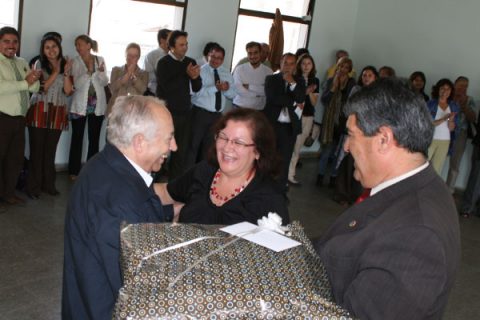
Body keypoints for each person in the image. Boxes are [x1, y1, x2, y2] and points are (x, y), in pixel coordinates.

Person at [314, 78, 460, 319]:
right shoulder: (408, 188)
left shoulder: (417, 235)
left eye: (351, 135)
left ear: (383, 139)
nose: (347, 147)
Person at [62, 95, 177, 319]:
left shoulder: (103, 164)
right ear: (140, 142)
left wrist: (171, 210)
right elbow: (140, 288)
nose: (174, 146)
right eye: (169, 138)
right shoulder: (121, 201)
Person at [154, 108, 289, 225]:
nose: (227, 147)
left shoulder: (269, 197)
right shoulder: (204, 171)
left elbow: (282, 248)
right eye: (223, 137)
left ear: (258, 151)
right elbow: (166, 193)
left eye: (238, 142)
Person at [26, 35, 73, 198]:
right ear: (43, 50)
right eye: (47, 47)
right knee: (37, 151)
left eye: (54, 46)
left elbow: (68, 91)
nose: (51, 50)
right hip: (39, 110)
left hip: (58, 111)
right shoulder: (39, 63)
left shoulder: (67, 63)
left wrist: (65, 73)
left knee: (50, 151)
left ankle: (48, 185)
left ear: (59, 47)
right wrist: (56, 71)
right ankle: (33, 187)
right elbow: (43, 87)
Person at [0, 27, 41, 205]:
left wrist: (33, 80)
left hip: (20, 119)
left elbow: (34, 88)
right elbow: (2, 87)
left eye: (15, 42)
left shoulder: (22, 61)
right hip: (2, 117)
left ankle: (8, 194)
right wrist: (26, 82)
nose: (11, 45)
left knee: (15, 160)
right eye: (6, 41)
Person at [156, 30, 202, 179]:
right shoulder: (163, 63)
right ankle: (155, 181)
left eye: (186, 44)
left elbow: (196, 87)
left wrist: (195, 78)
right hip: (166, 113)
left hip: (185, 113)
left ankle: (174, 184)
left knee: (180, 151)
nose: (185, 47)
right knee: (162, 148)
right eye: (181, 44)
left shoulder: (191, 61)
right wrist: (186, 75)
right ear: (172, 47)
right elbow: (168, 87)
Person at [333, 65, 379, 205]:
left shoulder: (378, 93)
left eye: (369, 75)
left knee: (361, 165)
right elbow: (349, 109)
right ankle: (342, 194)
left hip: (369, 134)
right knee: (347, 164)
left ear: (375, 78)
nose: (366, 77)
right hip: (355, 131)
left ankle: (356, 196)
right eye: (364, 75)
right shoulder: (356, 90)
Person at [187, 44, 236, 167]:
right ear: (207, 56)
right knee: (192, 147)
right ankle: (187, 179)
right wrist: (215, 88)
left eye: (219, 58)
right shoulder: (200, 71)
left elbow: (232, 95)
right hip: (200, 114)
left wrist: (226, 89)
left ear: (223, 59)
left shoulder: (226, 73)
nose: (215, 60)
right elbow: (195, 94)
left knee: (209, 149)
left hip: (217, 116)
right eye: (212, 56)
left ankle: (201, 178)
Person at [68, 35, 109, 180]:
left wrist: (100, 72)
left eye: (80, 44)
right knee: (77, 138)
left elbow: (105, 82)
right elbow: (77, 85)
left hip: (96, 105)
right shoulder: (75, 62)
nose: (78, 48)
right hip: (79, 105)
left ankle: (91, 171)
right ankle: (73, 171)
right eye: (76, 45)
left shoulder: (100, 59)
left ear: (88, 45)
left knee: (94, 139)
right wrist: (89, 72)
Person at [264, 53, 306, 191]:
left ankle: (280, 191)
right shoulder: (271, 79)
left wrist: (292, 83)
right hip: (272, 125)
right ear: (280, 63)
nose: (288, 66)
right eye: (285, 63)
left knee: (285, 160)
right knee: (268, 158)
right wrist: (294, 102)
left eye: (291, 63)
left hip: (289, 127)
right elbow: (273, 99)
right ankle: (263, 189)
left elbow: (301, 97)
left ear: (295, 66)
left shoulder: (299, 81)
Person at [317, 57, 355, 187]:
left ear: (349, 70)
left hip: (344, 122)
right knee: (327, 150)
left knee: (339, 152)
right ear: (337, 67)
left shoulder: (351, 83)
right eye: (340, 67)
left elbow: (350, 102)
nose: (343, 70)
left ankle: (334, 177)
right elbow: (324, 100)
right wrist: (333, 87)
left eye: (346, 67)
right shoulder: (330, 81)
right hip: (330, 122)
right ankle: (320, 176)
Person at [287, 53, 319, 186]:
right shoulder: (294, 78)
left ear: (312, 66)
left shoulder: (315, 80)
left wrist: (310, 91)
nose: (306, 66)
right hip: (294, 116)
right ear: (299, 65)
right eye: (303, 63)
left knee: (297, 147)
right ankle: (285, 175)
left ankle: (290, 174)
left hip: (307, 117)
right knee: (289, 145)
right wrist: (306, 90)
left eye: (309, 64)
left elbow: (314, 102)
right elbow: (294, 97)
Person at [446, 76, 477, 193]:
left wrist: (464, 106)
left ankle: (449, 190)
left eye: (466, 86)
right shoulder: (447, 95)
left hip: (461, 135)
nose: (463, 88)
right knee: (435, 160)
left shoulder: (470, 100)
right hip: (445, 132)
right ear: (455, 85)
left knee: (455, 164)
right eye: (460, 85)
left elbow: (473, 118)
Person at [427, 78, 459, 175]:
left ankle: (431, 190)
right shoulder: (430, 103)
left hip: (445, 141)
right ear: (438, 89)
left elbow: (452, 128)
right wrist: (444, 119)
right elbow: (427, 123)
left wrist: (451, 120)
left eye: (448, 89)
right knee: (422, 166)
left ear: (451, 91)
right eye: (442, 88)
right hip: (430, 139)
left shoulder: (454, 106)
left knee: (437, 169)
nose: (445, 91)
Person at [106, 43, 148, 116]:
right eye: (129, 55)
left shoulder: (144, 73)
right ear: (125, 55)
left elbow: (143, 90)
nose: (131, 58)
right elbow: (112, 88)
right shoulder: (116, 70)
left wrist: (133, 76)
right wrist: (128, 74)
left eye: (135, 56)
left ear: (138, 57)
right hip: (116, 110)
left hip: (134, 111)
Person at [232, 41, 273, 110]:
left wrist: (250, 87)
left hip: (258, 110)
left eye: (255, 53)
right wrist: (257, 94)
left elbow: (268, 91)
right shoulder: (239, 69)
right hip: (239, 107)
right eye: (250, 53)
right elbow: (237, 89)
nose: (252, 56)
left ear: (260, 53)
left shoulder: (269, 72)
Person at [143, 28, 170, 96]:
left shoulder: (174, 56)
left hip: (171, 95)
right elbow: (148, 78)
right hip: (155, 94)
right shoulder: (151, 56)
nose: (173, 41)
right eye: (170, 39)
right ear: (162, 40)